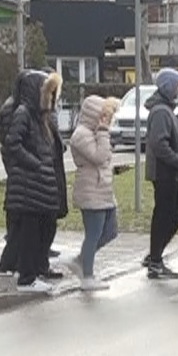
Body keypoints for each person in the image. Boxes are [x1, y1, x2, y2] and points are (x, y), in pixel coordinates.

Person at [0, 70, 66, 292]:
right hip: (28, 184)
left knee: (43, 228)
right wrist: (35, 163)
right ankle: (26, 277)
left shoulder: (41, 118)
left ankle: (36, 270)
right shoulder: (23, 113)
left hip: (41, 182)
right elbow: (12, 143)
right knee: (29, 232)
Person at [141, 68, 178, 280]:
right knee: (165, 214)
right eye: (177, 85)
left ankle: (155, 254)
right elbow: (159, 143)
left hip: (168, 171)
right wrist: (177, 160)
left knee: (176, 211)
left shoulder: (165, 109)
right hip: (164, 172)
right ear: (167, 86)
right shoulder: (161, 111)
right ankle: (155, 260)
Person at [68, 94, 119, 291]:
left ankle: (81, 260)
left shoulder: (95, 133)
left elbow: (105, 158)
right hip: (90, 190)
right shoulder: (81, 135)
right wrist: (103, 132)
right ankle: (87, 275)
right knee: (94, 233)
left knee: (110, 231)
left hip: (103, 189)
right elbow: (99, 157)